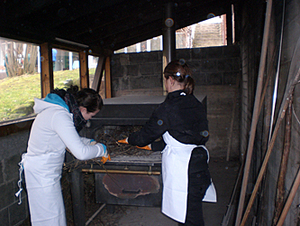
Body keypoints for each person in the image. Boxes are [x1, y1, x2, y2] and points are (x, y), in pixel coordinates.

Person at [119, 60, 216, 225]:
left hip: (186, 170)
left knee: (190, 219)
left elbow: (146, 135)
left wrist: (130, 139)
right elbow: (184, 136)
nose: (165, 83)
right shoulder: (195, 103)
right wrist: (154, 146)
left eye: (165, 79)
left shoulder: (168, 107)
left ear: (170, 80)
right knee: (190, 214)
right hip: (200, 164)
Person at [16, 85, 108, 226]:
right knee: (50, 220)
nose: (89, 120)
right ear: (83, 109)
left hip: (44, 174)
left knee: (54, 217)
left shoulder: (59, 111)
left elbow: (64, 139)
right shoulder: (59, 115)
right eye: (91, 115)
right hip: (42, 176)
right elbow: (81, 153)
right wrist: (101, 149)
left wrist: (88, 142)